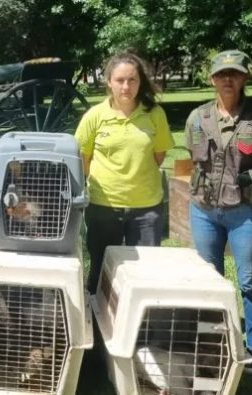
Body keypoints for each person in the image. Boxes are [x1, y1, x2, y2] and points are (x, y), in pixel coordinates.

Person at [185, 50, 252, 374]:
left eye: (235, 73)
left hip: (245, 212)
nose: (227, 79)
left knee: (250, 282)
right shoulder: (197, 118)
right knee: (208, 280)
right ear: (212, 79)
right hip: (204, 210)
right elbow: (193, 156)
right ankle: (213, 342)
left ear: (244, 78)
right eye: (221, 74)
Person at [74, 52, 174, 293]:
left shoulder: (155, 115)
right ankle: (96, 328)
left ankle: (139, 328)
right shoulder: (95, 116)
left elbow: (158, 156)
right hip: (103, 207)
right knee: (99, 271)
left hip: (146, 210)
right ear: (109, 81)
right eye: (120, 80)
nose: (126, 86)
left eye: (132, 80)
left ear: (141, 82)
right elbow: (82, 161)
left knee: (144, 275)